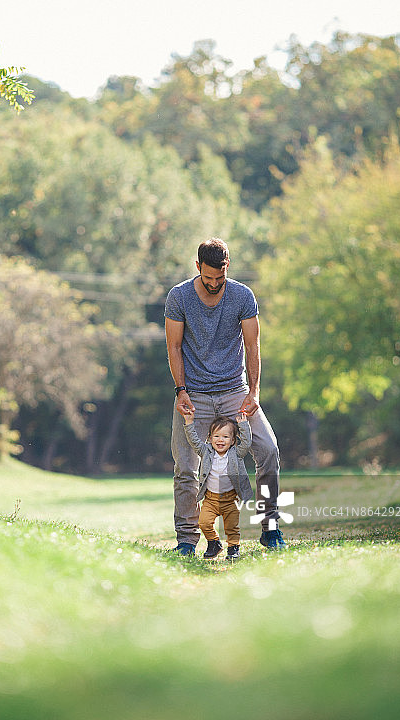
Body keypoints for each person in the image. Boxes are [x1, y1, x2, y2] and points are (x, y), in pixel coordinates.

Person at [165, 237, 284, 554]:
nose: (215, 283)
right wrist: (181, 390)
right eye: (209, 277)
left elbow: (253, 346)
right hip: (194, 394)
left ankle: (270, 528)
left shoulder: (242, 296)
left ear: (227, 267)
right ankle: (187, 539)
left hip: (235, 390)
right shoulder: (179, 297)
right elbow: (173, 347)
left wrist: (254, 392)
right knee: (185, 468)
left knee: (268, 450)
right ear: (198, 267)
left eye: (220, 276)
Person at [183, 409, 253, 560]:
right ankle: (214, 543)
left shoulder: (236, 454)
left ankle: (233, 549)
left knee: (231, 527)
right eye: (216, 436)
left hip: (230, 500)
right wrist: (189, 422)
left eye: (225, 437)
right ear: (209, 438)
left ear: (233, 441)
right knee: (203, 522)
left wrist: (243, 425)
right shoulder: (206, 452)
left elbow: (247, 443)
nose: (220, 440)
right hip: (211, 499)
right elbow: (194, 441)